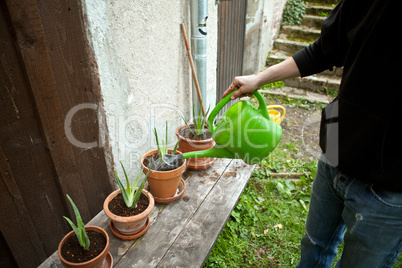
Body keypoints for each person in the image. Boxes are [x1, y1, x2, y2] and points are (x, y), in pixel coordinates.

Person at [223, 0, 402, 267]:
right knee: (314, 247)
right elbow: (325, 50)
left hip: (390, 182)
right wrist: (260, 78)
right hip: (335, 147)